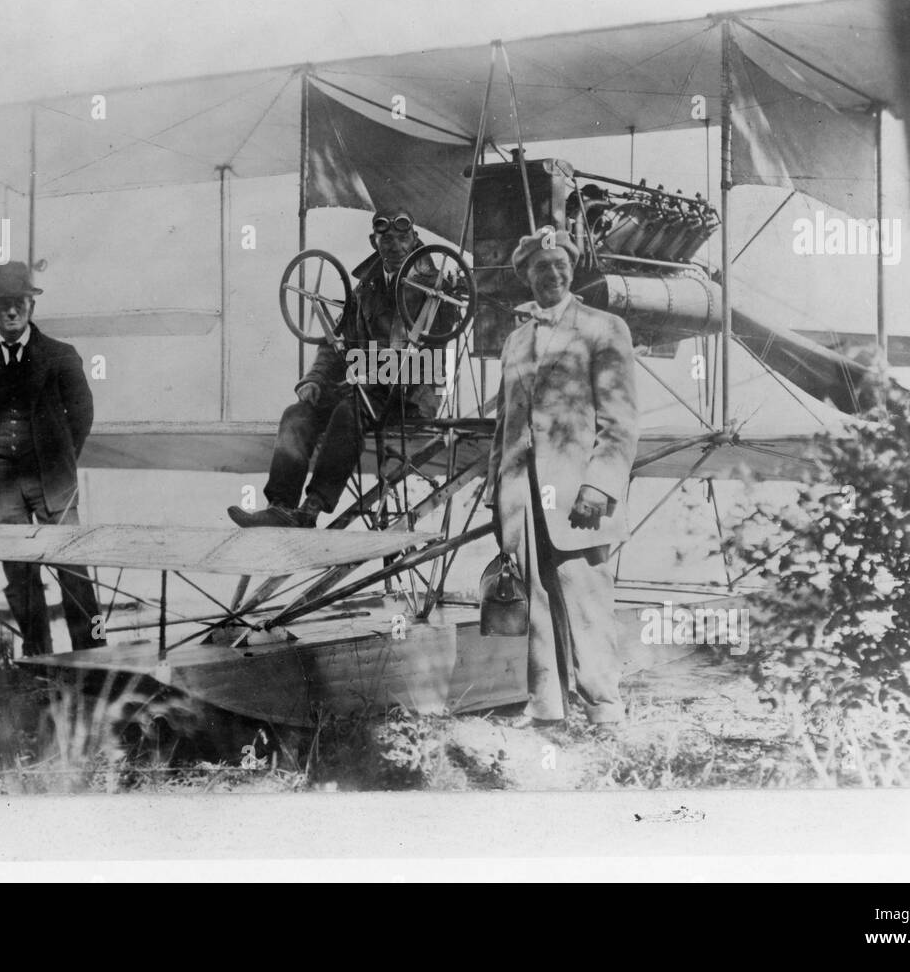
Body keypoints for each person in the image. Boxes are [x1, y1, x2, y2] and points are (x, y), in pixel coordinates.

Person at [487, 227, 639, 733]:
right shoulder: (514, 341)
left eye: (559, 265)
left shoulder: (604, 327)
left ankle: (605, 711)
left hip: (579, 493)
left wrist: (600, 486)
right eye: (540, 267)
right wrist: (497, 491)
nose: (551, 274)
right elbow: (504, 425)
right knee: (534, 600)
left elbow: (620, 421)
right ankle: (546, 706)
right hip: (522, 493)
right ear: (525, 275)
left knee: (586, 600)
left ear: (571, 270)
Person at [229, 209, 457, 528]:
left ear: (415, 239)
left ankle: (313, 505)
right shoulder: (365, 290)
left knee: (347, 413)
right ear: (374, 242)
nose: (394, 245)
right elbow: (336, 342)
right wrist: (315, 381)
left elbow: (435, 350)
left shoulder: (435, 289)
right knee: (296, 414)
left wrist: (448, 296)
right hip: (363, 387)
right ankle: (280, 505)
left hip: (408, 394)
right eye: (386, 238)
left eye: (402, 237)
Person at [0, 262, 103, 656]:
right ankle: (38, 656)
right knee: (20, 574)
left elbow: (82, 415)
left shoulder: (60, 356)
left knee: (73, 568)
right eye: (3, 303)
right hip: (2, 485)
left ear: (31, 306)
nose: (11, 311)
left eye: (19, 303)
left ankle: (93, 654)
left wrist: (60, 461)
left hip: (52, 482)